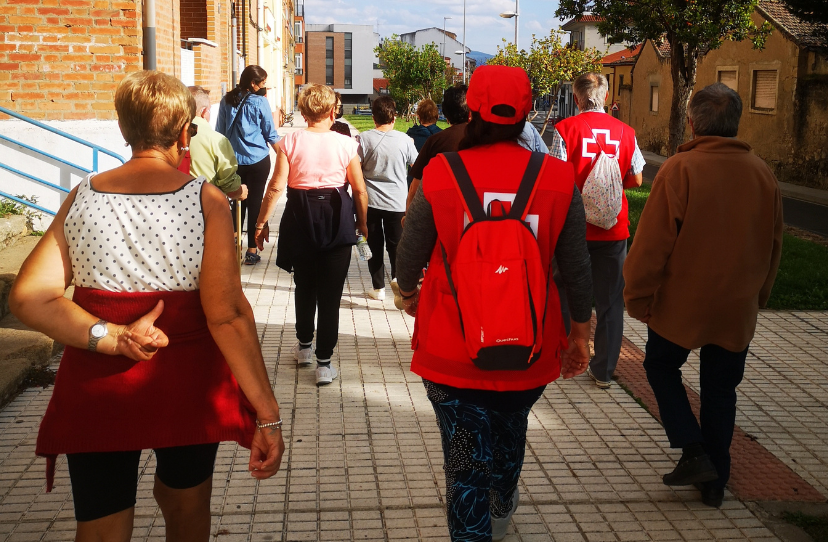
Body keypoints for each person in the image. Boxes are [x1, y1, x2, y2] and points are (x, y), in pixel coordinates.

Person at [9, 70, 284, 540]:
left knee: (101, 523)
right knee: (186, 503)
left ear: (123, 129)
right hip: (188, 382)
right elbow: (226, 314)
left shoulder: (83, 197)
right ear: (183, 132)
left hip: (99, 383)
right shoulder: (206, 201)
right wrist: (266, 412)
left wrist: (110, 335)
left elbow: (29, 297)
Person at [395, 65, 593, 542]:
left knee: (464, 461)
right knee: (510, 428)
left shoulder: (442, 172)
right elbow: (576, 265)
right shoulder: (557, 176)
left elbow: (410, 252)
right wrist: (581, 331)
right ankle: (503, 498)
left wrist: (408, 293)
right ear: (526, 112)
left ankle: (475, 527)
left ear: (474, 110)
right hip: (529, 346)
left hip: (452, 349)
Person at [624, 83, 783, 508]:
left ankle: (693, 451)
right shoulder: (761, 171)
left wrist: (636, 297)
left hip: (683, 303)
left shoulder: (681, 169)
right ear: (736, 124)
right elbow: (774, 242)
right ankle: (716, 481)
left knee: (659, 366)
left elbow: (652, 243)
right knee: (720, 389)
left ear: (693, 123)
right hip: (736, 304)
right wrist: (760, 295)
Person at [254, 84, 369, 386]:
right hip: (337, 216)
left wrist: (260, 223)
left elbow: (276, 187)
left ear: (303, 113)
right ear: (334, 112)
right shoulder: (346, 144)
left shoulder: (288, 141)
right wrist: (363, 223)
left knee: (304, 286)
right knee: (330, 295)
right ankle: (324, 364)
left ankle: (304, 347)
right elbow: (358, 188)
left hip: (299, 218)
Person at [549, 72, 644, 389]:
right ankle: (603, 370)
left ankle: (563, 356)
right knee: (611, 300)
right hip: (613, 230)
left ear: (577, 98)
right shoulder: (626, 132)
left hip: (571, 229)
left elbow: (556, 177)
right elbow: (637, 179)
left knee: (563, 290)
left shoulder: (564, 130)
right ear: (606, 97)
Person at [216, 65, 279, 265]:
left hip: (234, 161)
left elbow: (220, 132)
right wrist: (285, 157)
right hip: (259, 160)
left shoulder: (226, 100)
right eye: (262, 83)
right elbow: (270, 134)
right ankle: (252, 251)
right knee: (255, 204)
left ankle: (234, 247)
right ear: (253, 84)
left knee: (236, 202)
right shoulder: (260, 102)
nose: (264, 86)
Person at [357, 95, 418, 301]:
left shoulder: (363, 139)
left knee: (374, 243)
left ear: (374, 117)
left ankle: (378, 288)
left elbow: (355, 168)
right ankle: (398, 281)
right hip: (398, 201)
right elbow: (416, 166)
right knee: (397, 245)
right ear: (394, 118)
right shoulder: (405, 140)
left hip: (371, 201)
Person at [406, 84, 469, 210]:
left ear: (445, 115)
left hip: (440, 207)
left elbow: (415, 186)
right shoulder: (485, 140)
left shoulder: (436, 140)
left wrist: (408, 216)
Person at [185, 85, 248, 201]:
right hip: (207, 205)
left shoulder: (167, 136)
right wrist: (241, 191)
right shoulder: (217, 140)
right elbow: (230, 187)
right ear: (204, 111)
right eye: (209, 110)